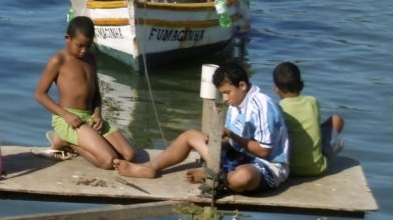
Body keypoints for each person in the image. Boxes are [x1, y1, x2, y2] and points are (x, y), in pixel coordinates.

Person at [114, 60, 290, 193]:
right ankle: (151, 167)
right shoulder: (236, 104)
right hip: (239, 156)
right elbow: (233, 142)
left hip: (264, 165)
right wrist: (216, 143)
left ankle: (213, 177)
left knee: (243, 178)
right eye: (223, 94)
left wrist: (231, 135)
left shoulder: (262, 106)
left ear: (242, 85)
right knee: (190, 135)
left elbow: (264, 151)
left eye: (228, 93)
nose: (226, 99)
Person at [34, 15, 136, 169]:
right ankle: (68, 141)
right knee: (108, 161)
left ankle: (73, 140)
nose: (84, 50)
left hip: (89, 117)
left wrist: (97, 113)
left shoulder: (91, 59)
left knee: (129, 155)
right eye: (79, 45)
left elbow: (95, 91)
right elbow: (40, 95)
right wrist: (66, 115)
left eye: (88, 46)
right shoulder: (58, 60)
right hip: (68, 118)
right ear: (67, 38)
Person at [273, 61, 345, 177]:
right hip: (317, 167)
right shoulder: (312, 101)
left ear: (276, 89)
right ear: (301, 83)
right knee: (337, 119)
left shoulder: (279, 109)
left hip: (291, 168)